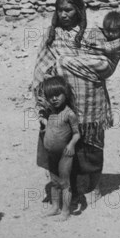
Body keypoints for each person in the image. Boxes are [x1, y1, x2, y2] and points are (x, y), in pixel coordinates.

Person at [33, 0, 120, 204]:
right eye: (60, 10)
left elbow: (107, 63)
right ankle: (70, 187)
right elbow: (41, 67)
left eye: (68, 10)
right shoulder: (52, 34)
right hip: (60, 102)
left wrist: (68, 62)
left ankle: (93, 185)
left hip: (89, 99)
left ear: (79, 10)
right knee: (62, 144)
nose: (63, 14)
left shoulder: (93, 34)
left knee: (90, 146)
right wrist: (42, 99)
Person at [40, 76, 81, 221]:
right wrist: (44, 121)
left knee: (65, 183)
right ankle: (55, 207)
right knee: (54, 182)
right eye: (50, 96)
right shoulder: (51, 113)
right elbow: (51, 126)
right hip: (52, 154)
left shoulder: (69, 114)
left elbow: (77, 134)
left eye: (57, 95)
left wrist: (71, 145)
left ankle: (65, 211)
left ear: (66, 94)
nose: (54, 99)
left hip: (65, 154)